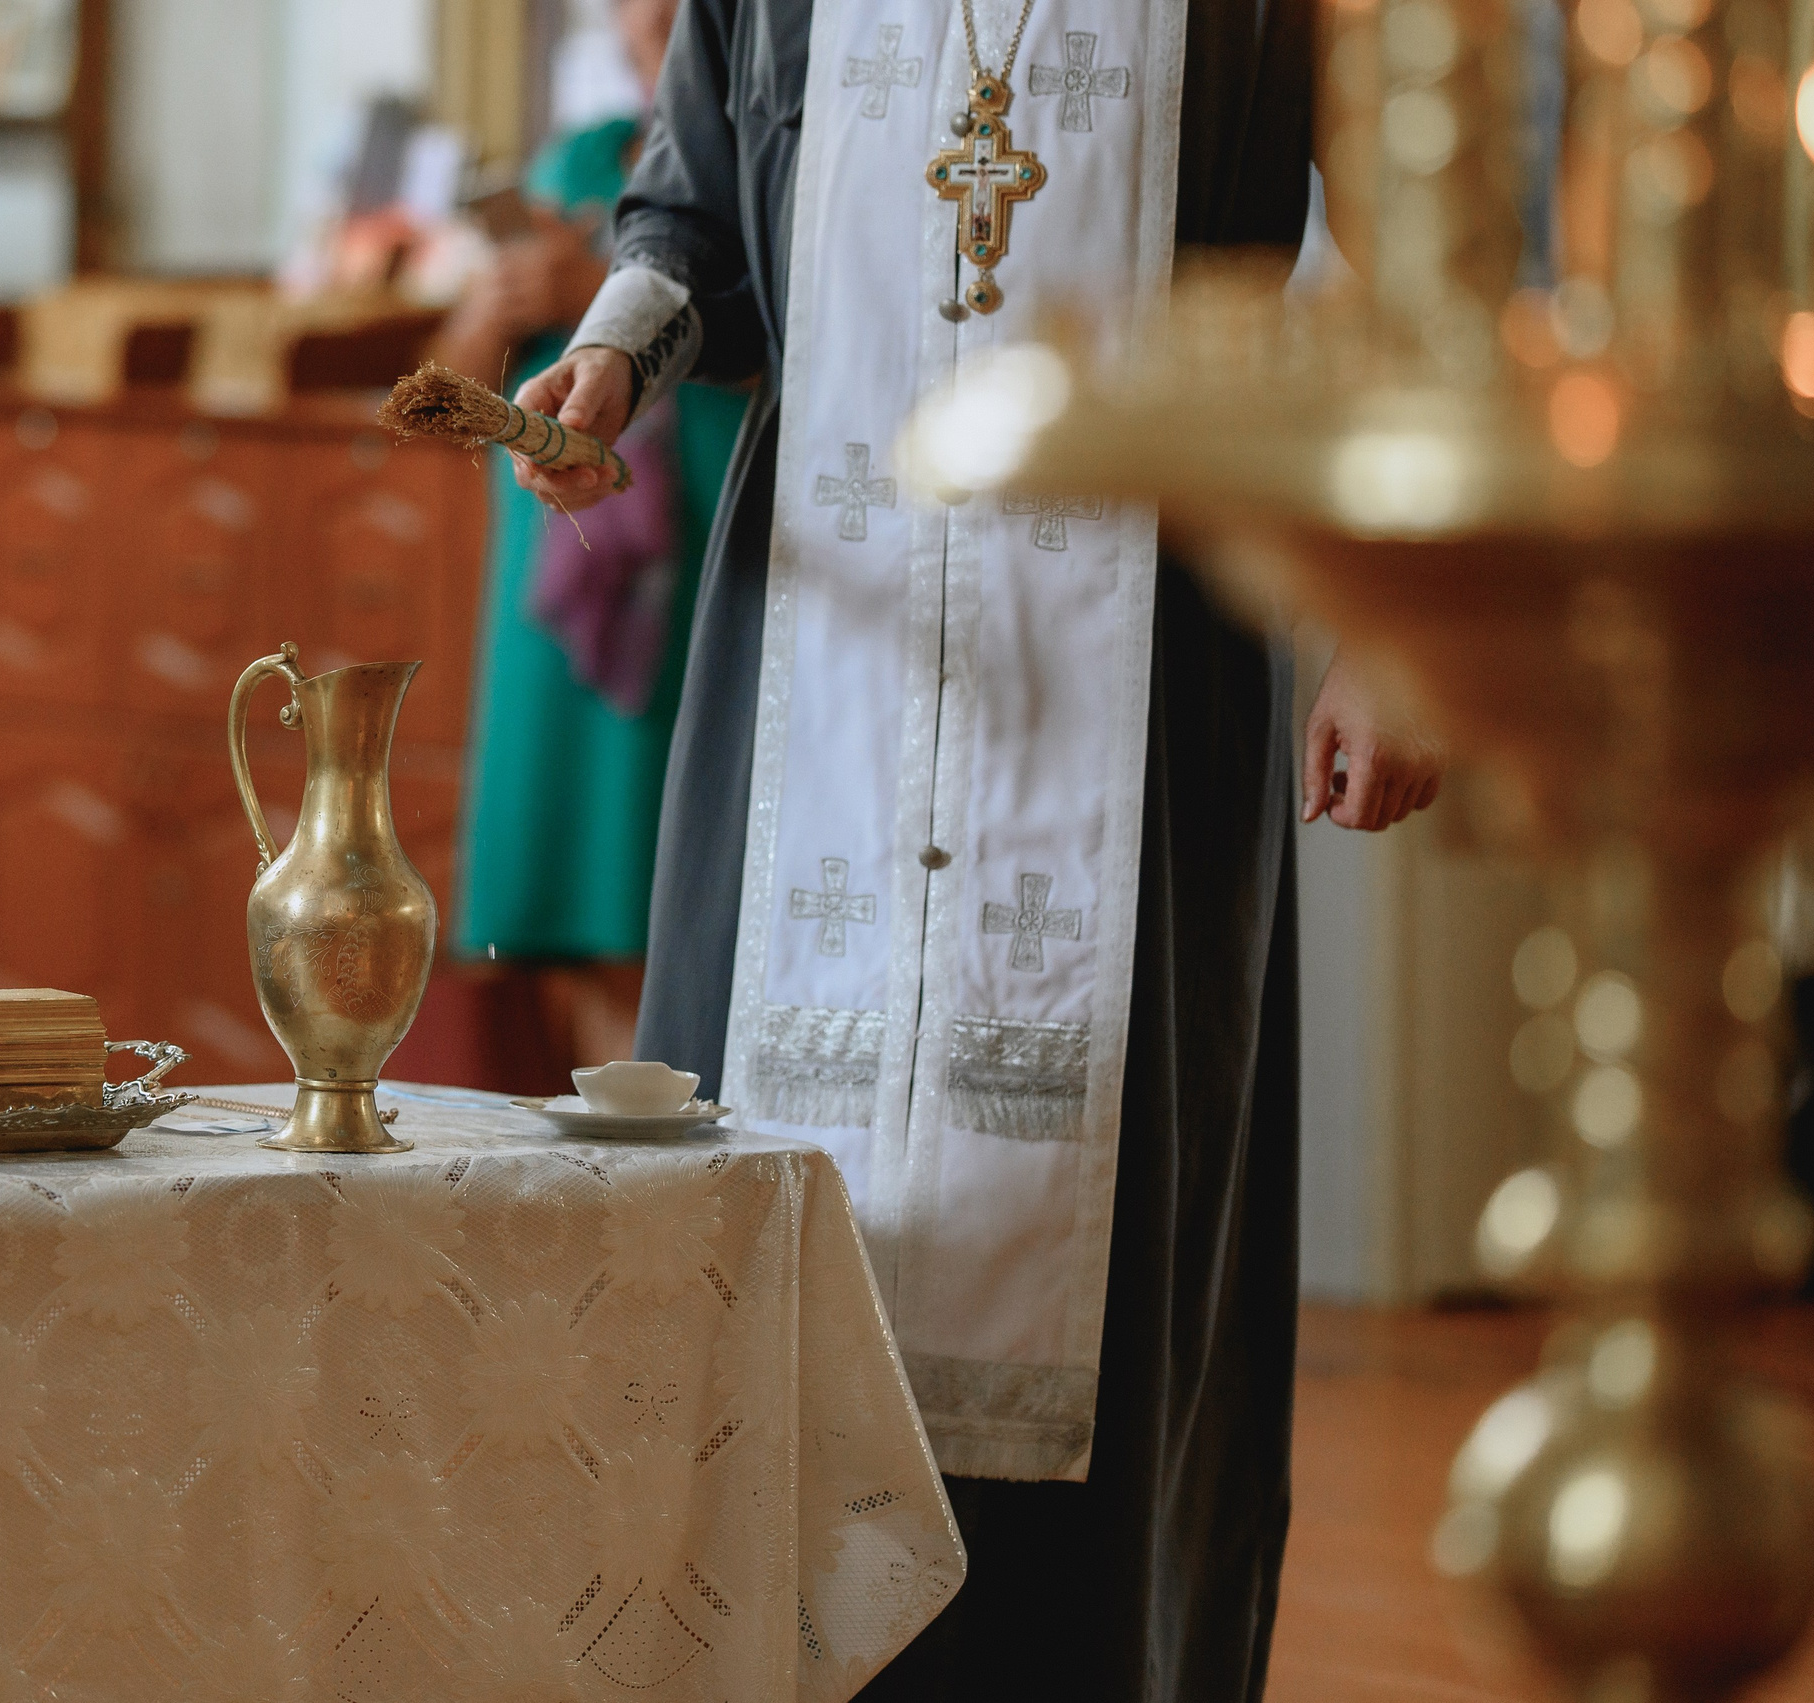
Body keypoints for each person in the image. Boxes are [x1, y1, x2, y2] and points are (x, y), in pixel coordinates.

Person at [510, 0, 1441, 1697]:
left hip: (1139, 698)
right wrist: (615, 359)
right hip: (820, 687)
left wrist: (1404, 628)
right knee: (759, 1258)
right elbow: (690, 210)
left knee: (1107, 1263)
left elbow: (1428, 248)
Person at [432, 0, 748, 1072]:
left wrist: (603, 305)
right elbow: (453, 386)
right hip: (556, 577)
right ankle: (604, 1130)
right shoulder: (571, 163)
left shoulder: (754, 173)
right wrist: (497, 306)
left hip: (687, 571)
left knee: (664, 880)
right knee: (565, 894)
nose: (648, 14)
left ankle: (665, 1123)